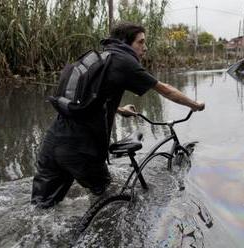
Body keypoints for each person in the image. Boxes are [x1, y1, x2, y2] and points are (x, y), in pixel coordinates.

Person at [31, 22, 205, 209]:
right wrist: (195, 105)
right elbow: (165, 90)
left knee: (41, 207)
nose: (145, 48)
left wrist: (120, 109)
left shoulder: (101, 58)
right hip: (82, 148)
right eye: (141, 42)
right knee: (108, 199)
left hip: (54, 140)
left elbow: (88, 99)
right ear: (125, 42)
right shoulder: (124, 61)